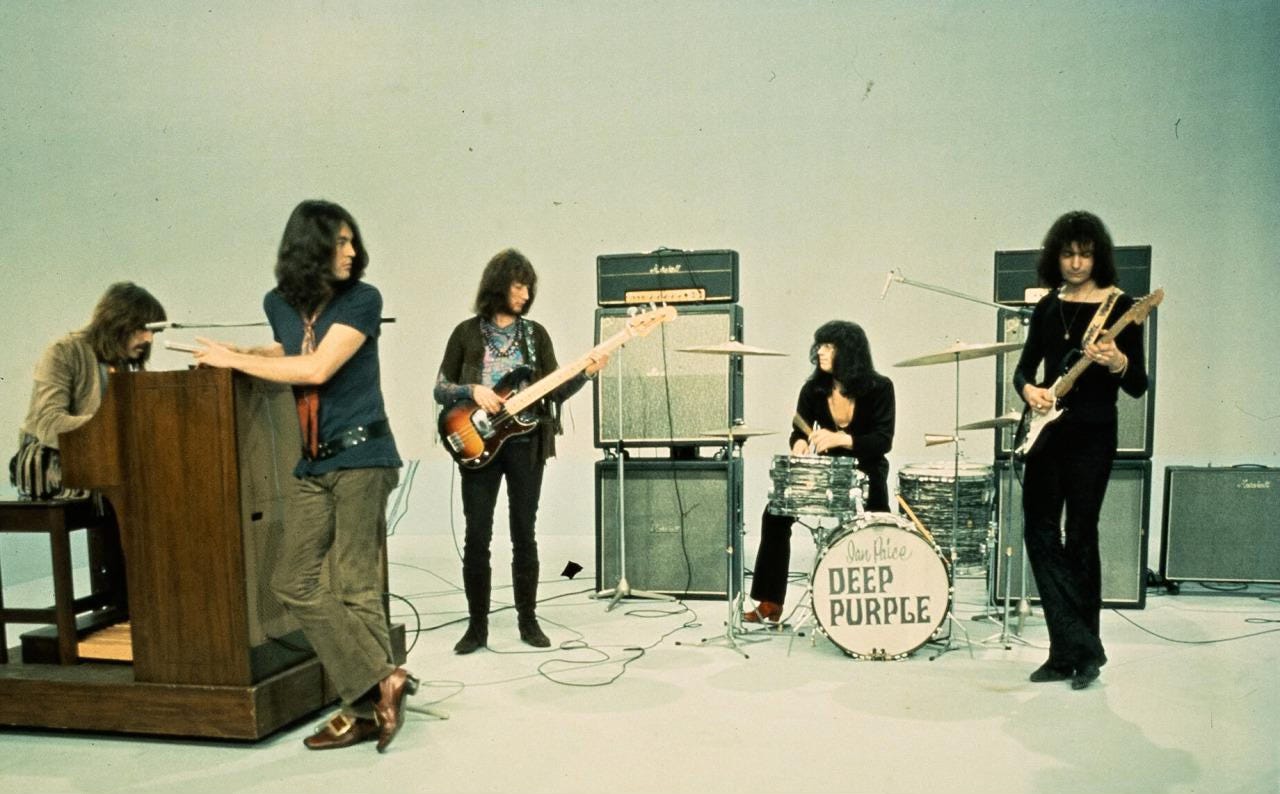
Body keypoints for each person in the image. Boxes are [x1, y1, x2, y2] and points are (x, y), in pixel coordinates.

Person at [192, 200, 415, 751]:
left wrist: (236, 362)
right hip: (312, 462)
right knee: (292, 581)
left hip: (363, 458)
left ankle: (362, 710)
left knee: (356, 585)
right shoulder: (279, 303)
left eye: (352, 241)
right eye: (340, 242)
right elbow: (291, 348)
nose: (352, 251)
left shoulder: (362, 299)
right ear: (310, 247)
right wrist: (238, 350)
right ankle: (383, 681)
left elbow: (316, 366)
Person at [435, 248, 606, 654]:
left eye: (529, 287)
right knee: (477, 535)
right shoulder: (465, 333)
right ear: (498, 286)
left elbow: (555, 390)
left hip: (526, 443)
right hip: (478, 441)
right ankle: (477, 627)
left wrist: (586, 373)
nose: (526, 294)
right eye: (518, 286)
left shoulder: (535, 335)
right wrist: (472, 390)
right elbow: (441, 389)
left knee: (523, 533)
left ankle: (527, 620)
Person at [1014, 210, 1148, 691]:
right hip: (1048, 434)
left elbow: (1138, 385)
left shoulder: (1120, 307)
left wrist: (1117, 360)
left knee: (1081, 537)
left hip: (1093, 435)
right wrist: (1029, 391)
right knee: (1038, 531)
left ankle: (1082, 653)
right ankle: (1068, 649)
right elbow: (1024, 369)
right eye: (1068, 254)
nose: (1075, 263)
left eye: (1085, 255)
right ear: (1056, 257)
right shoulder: (1048, 307)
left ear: (1098, 257)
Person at [743, 320, 895, 624]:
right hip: (824, 472)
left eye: (828, 346)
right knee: (774, 515)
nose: (820, 352)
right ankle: (770, 601)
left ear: (849, 351)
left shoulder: (880, 387)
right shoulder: (813, 389)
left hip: (866, 470)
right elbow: (797, 431)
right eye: (820, 345)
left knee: (877, 527)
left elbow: (883, 440)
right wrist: (799, 443)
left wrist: (842, 439)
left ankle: (877, 602)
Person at [11, 282, 166, 499]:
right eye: (142, 328)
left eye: (153, 331)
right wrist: (114, 428)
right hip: (58, 474)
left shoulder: (125, 360)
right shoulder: (63, 351)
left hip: (103, 470)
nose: (149, 339)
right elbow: (48, 423)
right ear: (116, 322)